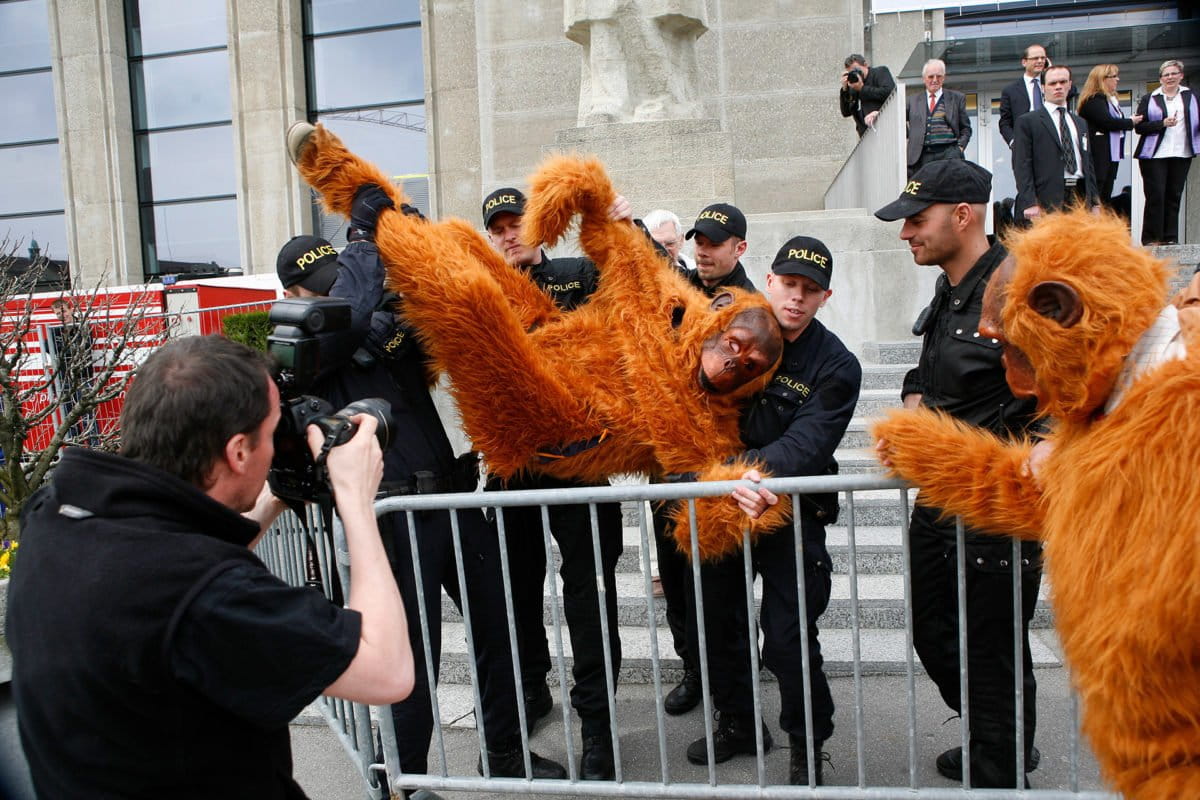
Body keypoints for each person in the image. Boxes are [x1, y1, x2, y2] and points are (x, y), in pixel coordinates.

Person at [6, 334, 412, 798]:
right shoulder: (204, 591)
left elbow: (173, 553)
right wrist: (355, 501)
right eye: (275, 428)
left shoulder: (55, 512)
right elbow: (388, 671)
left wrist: (273, 498)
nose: (283, 443)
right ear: (238, 452)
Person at [277, 203, 566, 788]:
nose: (337, 293)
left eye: (340, 277)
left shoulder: (371, 317)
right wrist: (364, 239)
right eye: (321, 287)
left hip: (451, 500)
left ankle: (505, 753)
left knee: (501, 625)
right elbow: (347, 314)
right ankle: (401, 780)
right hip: (395, 513)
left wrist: (408, 244)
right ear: (294, 295)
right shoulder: (300, 342)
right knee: (413, 657)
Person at [873, 158, 1043, 788]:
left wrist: (1046, 451)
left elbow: (1070, 386)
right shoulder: (952, 286)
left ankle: (1000, 762)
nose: (905, 234)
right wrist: (914, 406)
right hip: (941, 500)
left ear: (963, 216)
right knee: (934, 631)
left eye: (917, 220)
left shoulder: (1019, 287)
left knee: (993, 648)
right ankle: (997, 734)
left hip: (996, 507)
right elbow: (931, 370)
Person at [683, 236, 859, 788]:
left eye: (809, 291)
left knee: (786, 636)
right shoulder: (734, 324)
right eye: (788, 284)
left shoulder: (836, 364)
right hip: (721, 508)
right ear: (770, 280)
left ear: (824, 297)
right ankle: (737, 722)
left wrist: (748, 476)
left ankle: (807, 743)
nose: (795, 299)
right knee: (718, 624)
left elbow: (808, 442)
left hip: (790, 513)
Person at [482, 186, 625, 781]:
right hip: (514, 466)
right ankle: (532, 691)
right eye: (499, 227)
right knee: (515, 596)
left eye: (518, 224)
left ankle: (597, 730)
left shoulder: (575, 275)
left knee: (590, 598)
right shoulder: (482, 289)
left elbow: (632, 290)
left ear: (538, 227)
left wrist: (623, 229)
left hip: (581, 459)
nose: (510, 234)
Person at [1012, 64, 1099, 223]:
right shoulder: (1028, 122)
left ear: (1069, 85)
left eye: (1063, 82)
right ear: (1043, 87)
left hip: (1079, 194)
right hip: (1047, 196)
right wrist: (1030, 202)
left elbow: (1088, 163)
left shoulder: (1080, 123)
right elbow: (1021, 164)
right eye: (1052, 83)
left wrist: (1094, 201)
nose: (1058, 87)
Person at [1134, 59, 1198, 245]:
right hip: (1154, 154)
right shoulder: (1150, 98)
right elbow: (1140, 127)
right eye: (1166, 75)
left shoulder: (1191, 96)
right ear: (1160, 78)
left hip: (1181, 152)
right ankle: (1151, 239)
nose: (1170, 77)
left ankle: (1170, 238)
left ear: (1181, 76)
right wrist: (1161, 124)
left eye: (1173, 74)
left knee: (1174, 195)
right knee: (1156, 196)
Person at [1077, 63, 1142, 209]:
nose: (1117, 80)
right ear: (1102, 79)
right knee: (1096, 198)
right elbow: (1108, 122)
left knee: (1105, 196)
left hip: (1111, 157)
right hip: (1098, 158)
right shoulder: (1093, 101)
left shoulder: (1110, 101)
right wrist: (1130, 122)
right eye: (1114, 76)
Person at [906, 59, 971, 178]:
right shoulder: (912, 101)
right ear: (924, 78)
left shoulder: (957, 98)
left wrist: (959, 148)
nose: (935, 80)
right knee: (924, 193)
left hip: (949, 153)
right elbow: (898, 119)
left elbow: (966, 128)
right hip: (922, 156)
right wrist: (876, 113)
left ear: (944, 78)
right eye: (931, 76)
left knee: (948, 192)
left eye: (939, 76)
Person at [683, 203, 757, 293]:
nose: (702, 252)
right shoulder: (679, 283)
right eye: (699, 243)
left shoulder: (748, 304)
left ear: (739, 249)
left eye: (714, 245)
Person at [998, 43, 1048, 148]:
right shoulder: (1010, 91)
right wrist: (1013, 142)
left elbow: (1071, 93)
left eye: (1043, 58)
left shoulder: (1051, 84)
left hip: (1049, 141)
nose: (1040, 61)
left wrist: (1051, 71)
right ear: (1024, 62)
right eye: (1035, 58)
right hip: (1024, 144)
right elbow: (1004, 122)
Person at [840, 53, 896, 137]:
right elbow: (846, 112)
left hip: (888, 131)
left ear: (865, 65)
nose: (855, 75)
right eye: (851, 73)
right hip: (867, 138)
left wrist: (862, 88)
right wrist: (845, 90)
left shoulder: (880, 72)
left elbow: (889, 93)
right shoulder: (853, 86)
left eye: (856, 70)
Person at [644, 208, 692, 274]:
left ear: (681, 241)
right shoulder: (632, 277)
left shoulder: (696, 272)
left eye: (670, 244)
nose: (663, 250)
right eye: (656, 244)